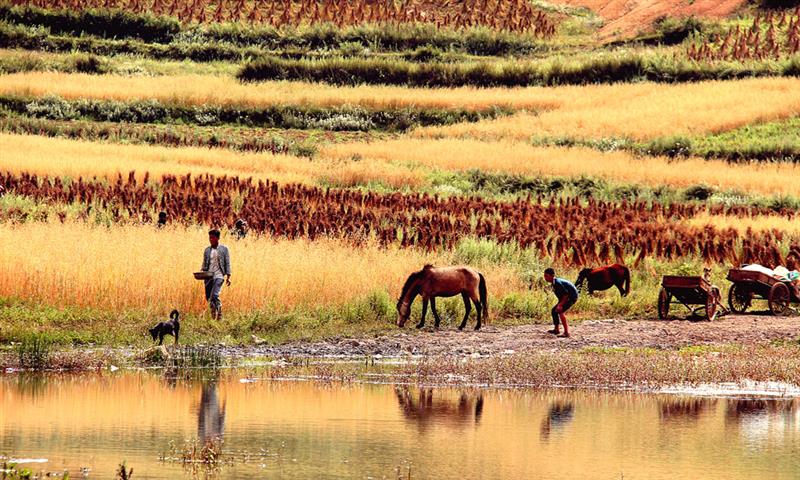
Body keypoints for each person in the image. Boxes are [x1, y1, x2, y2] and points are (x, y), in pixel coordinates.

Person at [201, 229, 231, 320]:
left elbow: (227, 263)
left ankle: (219, 312)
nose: (211, 239)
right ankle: (213, 315)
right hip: (208, 276)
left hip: (219, 275)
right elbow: (204, 263)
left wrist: (228, 277)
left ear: (218, 238)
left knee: (214, 295)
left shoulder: (224, 249)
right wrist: (201, 272)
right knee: (208, 297)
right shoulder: (207, 250)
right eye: (210, 238)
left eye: (213, 238)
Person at [544, 268, 578, 338]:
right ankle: (556, 329)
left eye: (547, 276)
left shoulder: (557, 283)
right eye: (544, 276)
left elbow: (566, 295)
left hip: (572, 297)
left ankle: (566, 332)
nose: (545, 278)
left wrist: (560, 305)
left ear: (552, 275)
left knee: (560, 311)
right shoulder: (554, 283)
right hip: (566, 297)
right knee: (554, 311)